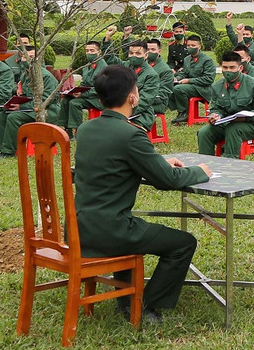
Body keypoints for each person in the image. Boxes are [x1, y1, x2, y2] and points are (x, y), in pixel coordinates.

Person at [73, 64, 213, 325]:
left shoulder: (85, 130)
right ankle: (147, 305)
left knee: (136, 230)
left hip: (80, 227)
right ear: (133, 97)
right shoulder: (131, 135)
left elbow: (114, 163)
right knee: (183, 243)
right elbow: (167, 180)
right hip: (114, 230)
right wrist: (199, 171)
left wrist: (158, 161)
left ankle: (125, 301)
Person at [195, 51, 254, 158]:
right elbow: (216, 108)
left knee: (233, 129)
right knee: (204, 132)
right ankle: (206, 165)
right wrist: (215, 115)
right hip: (226, 122)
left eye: (232, 67)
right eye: (225, 67)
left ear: (240, 68)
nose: (228, 71)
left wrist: (245, 118)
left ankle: (230, 165)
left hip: (252, 125)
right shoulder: (217, 86)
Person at [0, 47, 60, 158]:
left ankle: (9, 152)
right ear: (20, 58)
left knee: (14, 117)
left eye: (32, 57)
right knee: (3, 114)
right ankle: (2, 148)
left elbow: (45, 101)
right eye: (25, 57)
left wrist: (21, 106)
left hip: (48, 110)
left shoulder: (46, 77)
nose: (28, 60)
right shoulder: (26, 74)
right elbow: (26, 95)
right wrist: (14, 102)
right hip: (30, 108)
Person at [59, 38, 119, 134]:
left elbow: (101, 88)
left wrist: (82, 94)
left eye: (92, 51)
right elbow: (85, 83)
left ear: (99, 52)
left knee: (75, 103)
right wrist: (74, 91)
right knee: (65, 100)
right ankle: (67, 129)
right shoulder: (88, 66)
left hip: (99, 98)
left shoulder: (103, 67)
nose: (89, 53)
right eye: (87, 51)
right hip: (89, 96)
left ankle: (78, 130)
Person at [169, 34, 217, 125]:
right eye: (188, 45)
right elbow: (184, 73)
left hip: (203, 89)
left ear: (199, 46)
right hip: (191, 86)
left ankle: (185, 113)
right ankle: (180, 112)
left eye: (193, 45)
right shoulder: (187, 59)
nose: (190, 47)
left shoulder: (207, 60)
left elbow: (209, 79)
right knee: (172, 85)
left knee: (179, 89)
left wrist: (189, 81)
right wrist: (177, 78)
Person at [124, 41, 169, 131]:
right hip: (122, 107)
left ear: (146, 55)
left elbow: (145, 101)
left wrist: (125, 112)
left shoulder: (151, 75)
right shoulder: (126, 67)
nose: (134, 56)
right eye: (131, 53)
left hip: (140, 112)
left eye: (138, 53)